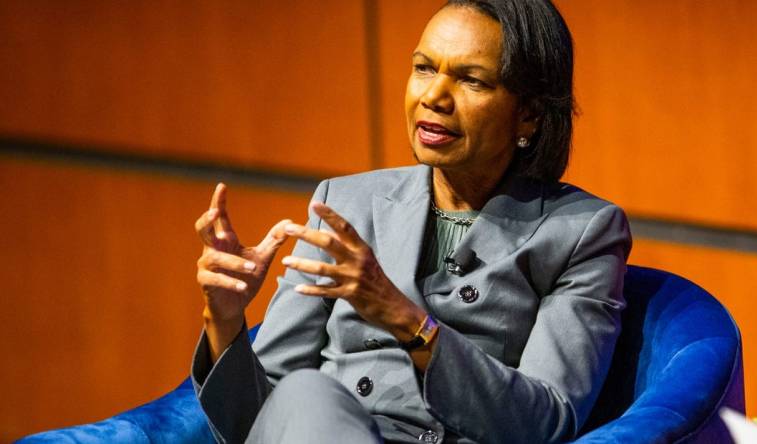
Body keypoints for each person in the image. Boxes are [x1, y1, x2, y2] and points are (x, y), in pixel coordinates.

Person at [191, 0, 632, 443]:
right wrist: (224, 319)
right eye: (424, 68)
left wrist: (407, 322)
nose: (433, 97)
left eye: (471, 80)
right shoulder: (344, 205)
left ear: (529, 114)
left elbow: (546, 423)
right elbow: (259, 422)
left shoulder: (581, 233)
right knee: (306, 393)